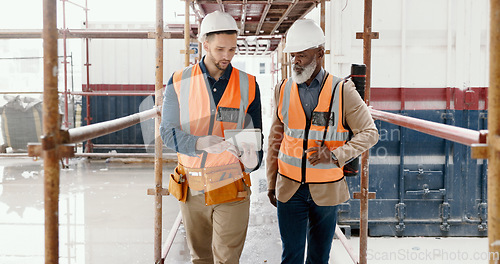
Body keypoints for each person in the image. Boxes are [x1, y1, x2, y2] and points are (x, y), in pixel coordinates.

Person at [266, 19, 379, 264]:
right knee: (291, 256)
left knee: (319, 258)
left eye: (302, 55)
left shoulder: (343, 90)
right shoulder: (282, 89)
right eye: (293, 55)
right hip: (289, 188)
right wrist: (271, 181)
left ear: (319, 54)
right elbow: (275, 139)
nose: (295, 61)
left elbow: (370, 133)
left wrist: (336, 155)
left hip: (326, 189)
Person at [160, 11, 263, 264]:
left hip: (232, 188)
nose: (226, 56)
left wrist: (252, 160)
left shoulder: (249, 85)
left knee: (227, 259)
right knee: (200, 258)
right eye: (220, 49)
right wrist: (197, 143)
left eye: (232, 49)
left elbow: (256, 142)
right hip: (192, 188)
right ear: (204, 44)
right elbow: (166, 132)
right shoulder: (178, 81)